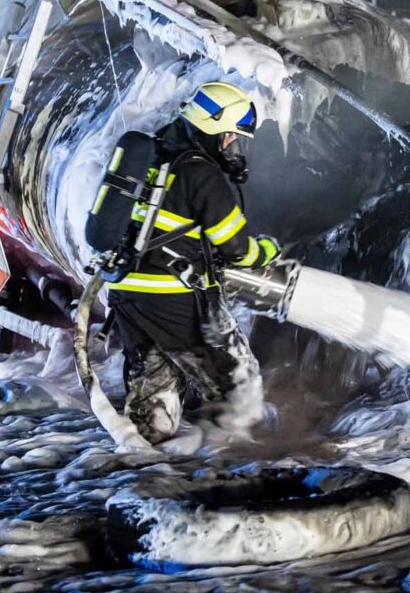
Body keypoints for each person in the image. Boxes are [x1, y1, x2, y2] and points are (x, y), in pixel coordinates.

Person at [103, 81, 281, 444]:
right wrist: (265, 252)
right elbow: (236, 247)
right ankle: (240, 466)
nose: (234, 146)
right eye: (232, 137)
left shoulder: (153, 155)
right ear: (215, 131)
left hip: (128, 293)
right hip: (176, 296)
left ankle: (143, 466)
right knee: (237, 381)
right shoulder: (202, 173)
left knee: (154, 391)